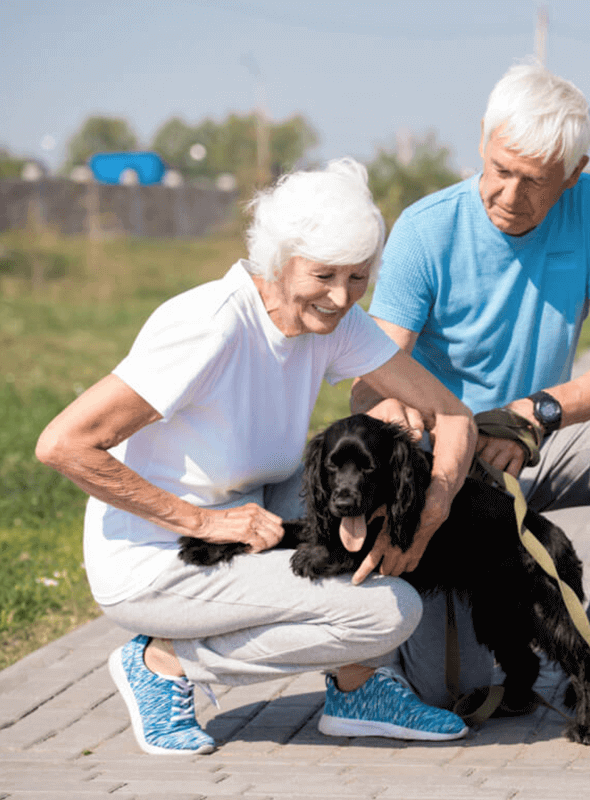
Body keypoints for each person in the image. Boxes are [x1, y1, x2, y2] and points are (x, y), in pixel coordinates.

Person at [36, 158, 477, 755]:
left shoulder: (333, 323)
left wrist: (432, 508)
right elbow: (63, 444)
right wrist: (202, 521)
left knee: (357, 480)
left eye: (357, 277)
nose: (341, 295)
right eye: (324, 274)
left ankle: (354, 690)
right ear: (280, 257)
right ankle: (164, 661)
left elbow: (454, 415)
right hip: (156, 555)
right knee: (387, 612)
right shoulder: (211, 326)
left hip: (245, 524)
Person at [352, 63, 590, 713]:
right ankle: (382, 658)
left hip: (534, 439)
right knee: (450, 688)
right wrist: (441, 438)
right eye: (501, 168)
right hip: (447, 462)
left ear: (574, 171)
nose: (509, 194)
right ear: (483, 138)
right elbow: (371, 390)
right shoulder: (426, 230)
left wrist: (535, 414)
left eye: (535, 181)